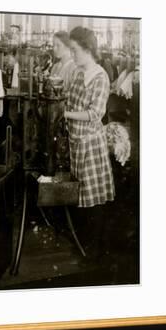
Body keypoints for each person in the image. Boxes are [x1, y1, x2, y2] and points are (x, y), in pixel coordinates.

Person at [64, 27, 115, 259]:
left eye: (75, 51)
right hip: (76, 141)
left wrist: (65, 114)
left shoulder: (100, 77)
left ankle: (95, 249)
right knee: (79, 194)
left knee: (93, 197)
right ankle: (83, 243)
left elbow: (95, 113)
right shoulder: (77, 73)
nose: (72, 55)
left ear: (87, 49)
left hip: (91, 144)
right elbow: (70, 100)